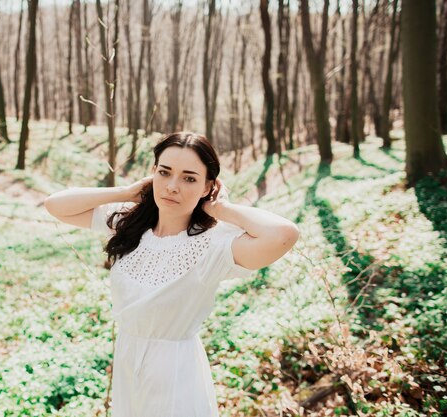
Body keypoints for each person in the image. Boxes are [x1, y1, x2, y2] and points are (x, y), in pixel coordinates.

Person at [44, 132, 299, 417]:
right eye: (164, 173)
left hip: (176, 371)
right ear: (153, 173)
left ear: (208, 186)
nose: (172, 187)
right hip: (128, 364)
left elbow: (284, 234)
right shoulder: (129, 222)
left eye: (189, 178)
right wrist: (127, 191)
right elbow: (56, 204)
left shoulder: (214, 244)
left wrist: (221, 208)